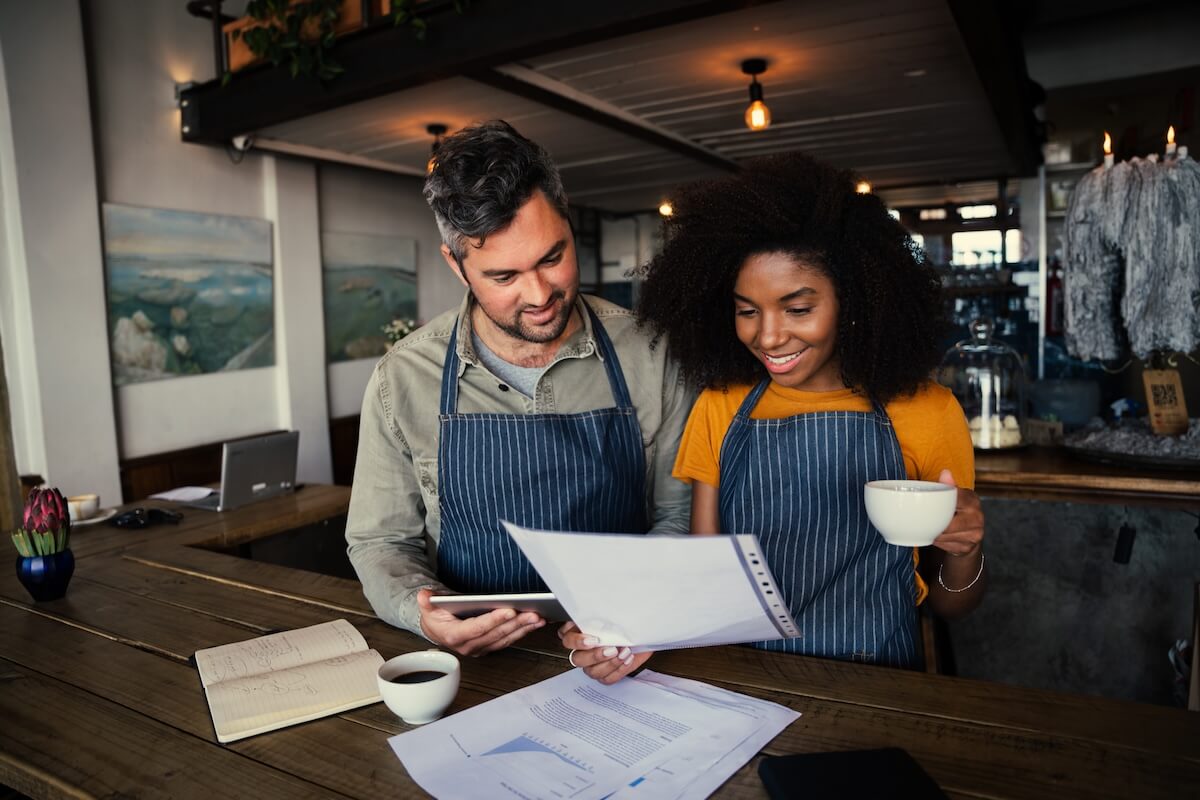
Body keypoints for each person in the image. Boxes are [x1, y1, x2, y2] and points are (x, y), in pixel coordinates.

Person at [566, 152, 985, 671]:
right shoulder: (721, 404)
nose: (767, 336)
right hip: (743, 682)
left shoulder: (928, 411)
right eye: (747, 311)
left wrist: (965, 552)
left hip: (880, 687)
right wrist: (634, 635)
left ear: (853, 301)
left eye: (798, 309)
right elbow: (704, 579)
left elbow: (953, 607)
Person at [345, 121, 692, 671]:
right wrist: (422, 611)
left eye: (553, 257)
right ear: (454, 263)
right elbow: (379, 541)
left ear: (568, 216)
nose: (539, 296)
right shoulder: (403, 377)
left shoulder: (649, 353)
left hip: (623, 654)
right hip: (474, 671)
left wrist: (641, 616)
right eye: (504, 276)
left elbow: (678, 516)